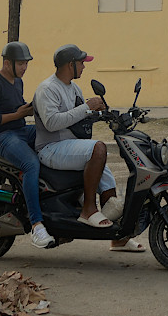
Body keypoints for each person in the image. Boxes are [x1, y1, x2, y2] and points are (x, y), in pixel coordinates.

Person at [33, 44, 141, 252]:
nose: (84, 66)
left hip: (68, 145)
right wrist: (87, 107)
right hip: (51, 148)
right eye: (81, 62)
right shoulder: (48, 88)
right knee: (98, 149)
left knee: (103, 167)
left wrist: (104, 113)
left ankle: (118, 236)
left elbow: (80, 117)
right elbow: (52, 123)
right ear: (69, 65)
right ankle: (88, 210)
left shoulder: (73, 88)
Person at [0, 41, 54, 248]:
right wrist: (17, 114)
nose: (24, 68)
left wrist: (28, 109)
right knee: (31, 164)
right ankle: (37, 225)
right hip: (0, 137)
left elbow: (15, 108)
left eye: (26, 64)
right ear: (7, 63)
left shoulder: (17, 82)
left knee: (57, 135)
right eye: (21, 64)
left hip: (20, 130)